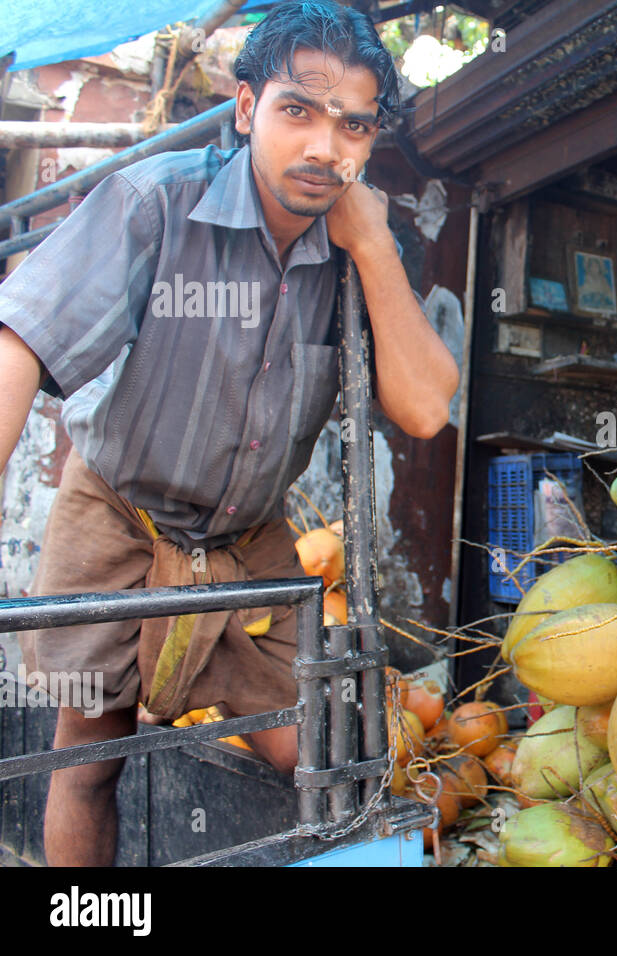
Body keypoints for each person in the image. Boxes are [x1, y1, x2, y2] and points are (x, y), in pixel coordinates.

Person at [0, 1, 460, 866]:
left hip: (251, 545)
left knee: (331, 765)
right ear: (246, 108)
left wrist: (375, 249)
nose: (327, 146)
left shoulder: (358, 248)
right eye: (299, 111)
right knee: (86, 758)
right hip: (116, 520)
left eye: (353, 125)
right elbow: (18, 343)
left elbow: (427, 409)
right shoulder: (154, 205)